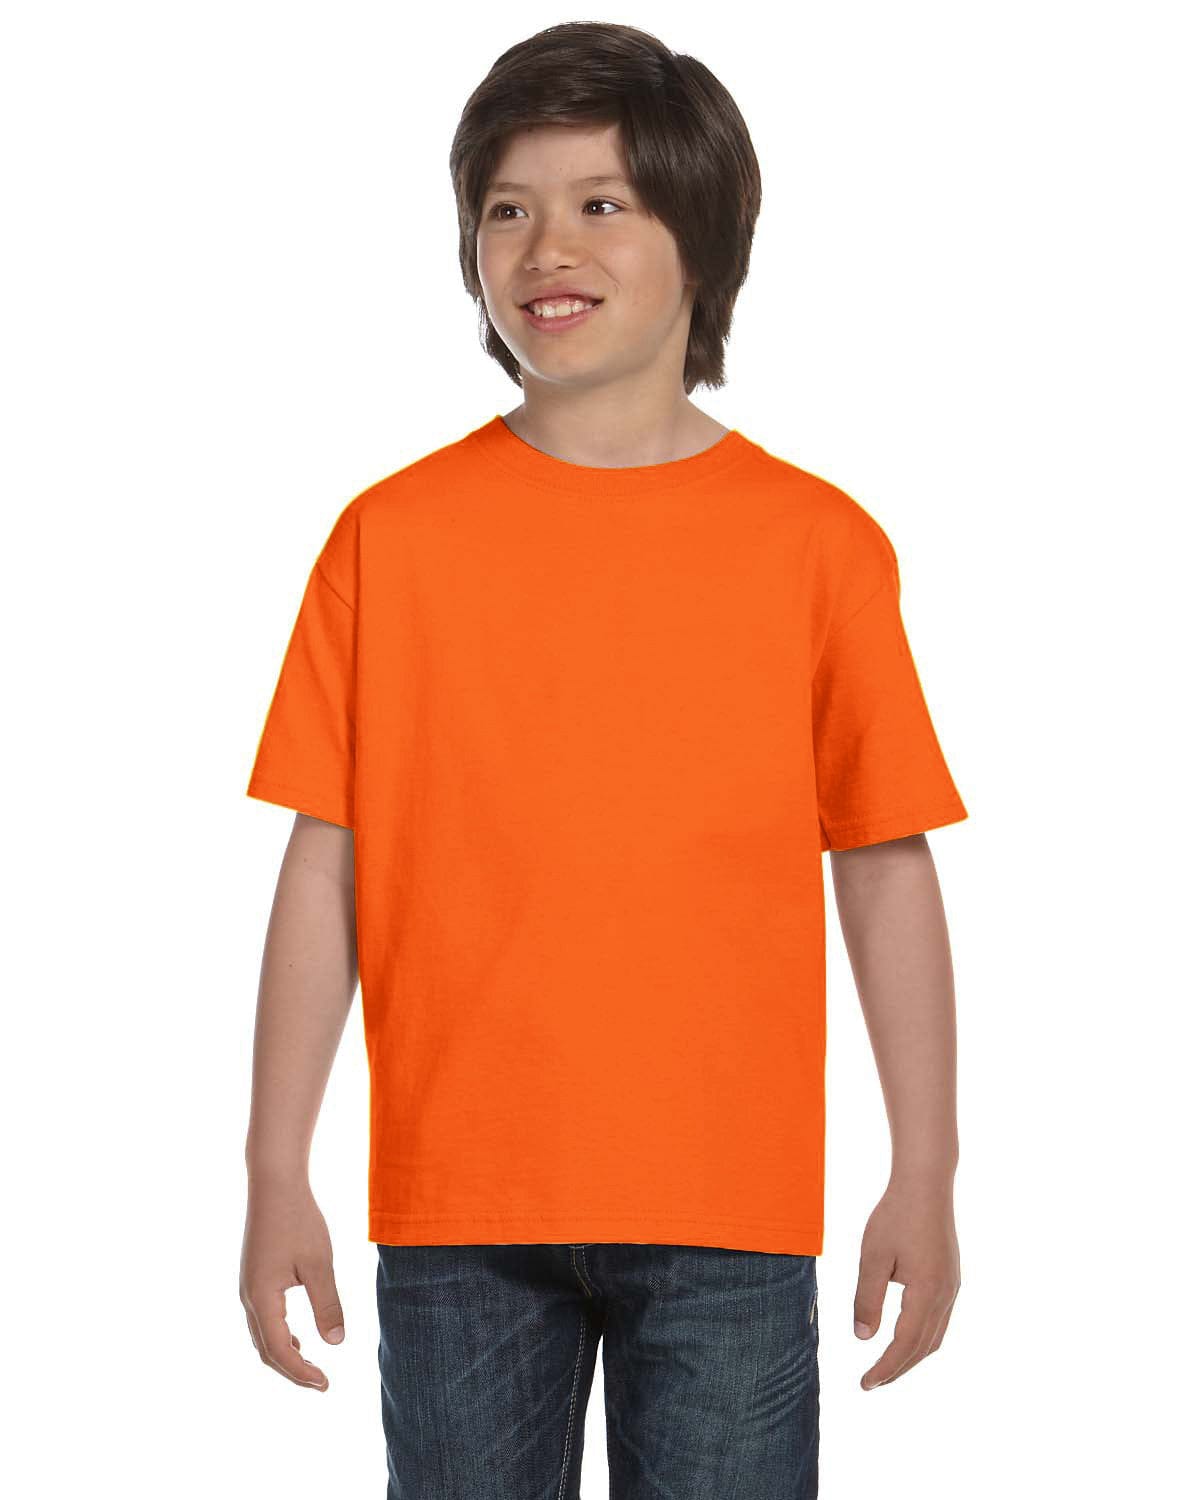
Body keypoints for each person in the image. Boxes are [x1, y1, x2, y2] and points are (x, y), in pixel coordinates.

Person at [240, 21, 967, 1498]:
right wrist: (273, 1170)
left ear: (704, 238)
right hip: (457, 1209)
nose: (544, 248)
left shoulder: (820, 547)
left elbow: (886, 863)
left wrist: (927, 1169)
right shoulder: (390, 539)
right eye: (506, 208)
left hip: (728, 1211)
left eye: (601, 202)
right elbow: (328, 859)